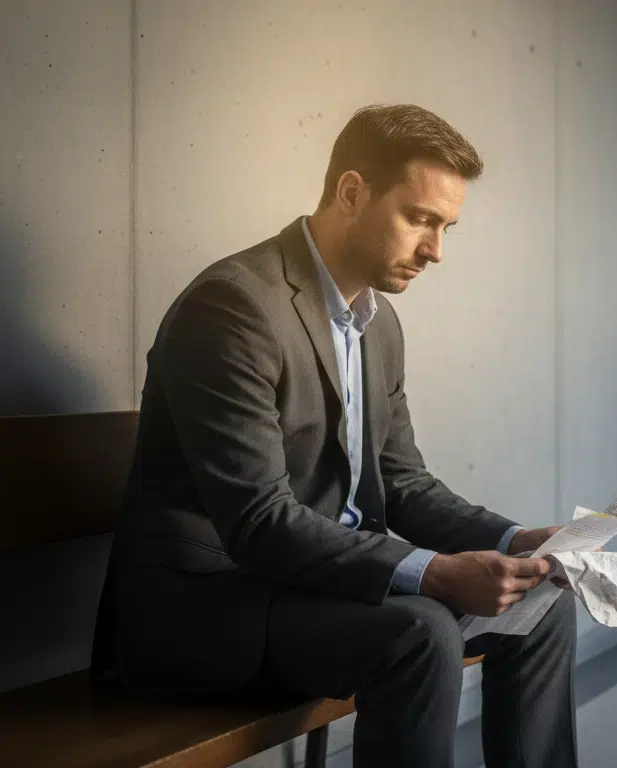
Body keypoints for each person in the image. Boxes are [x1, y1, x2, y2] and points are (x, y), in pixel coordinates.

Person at [90, 103, 578, 767]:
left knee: (542, 607)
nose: (436, 250)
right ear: (352, 193)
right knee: (421, 629)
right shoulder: (233, 308)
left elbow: (403, 483)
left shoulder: (378, 326)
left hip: (314, 591)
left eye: (446, 226)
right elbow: (259, 521)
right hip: (207, 610)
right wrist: (433, 572)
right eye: (420, 219)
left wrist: (512, 541)